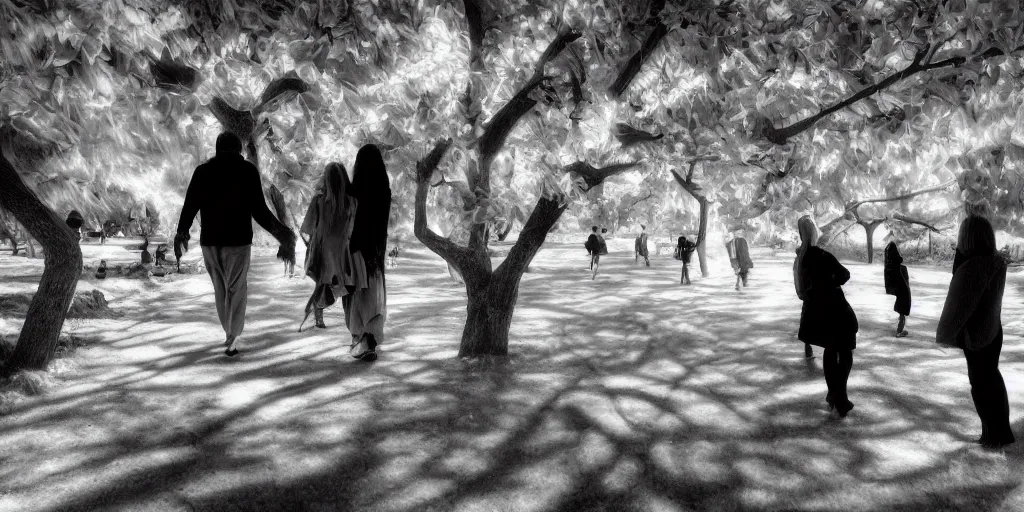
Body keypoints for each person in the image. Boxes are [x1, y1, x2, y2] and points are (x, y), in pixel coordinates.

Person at [175, 132, 297, 357]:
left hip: (210, 242)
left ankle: (229, 332)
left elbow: (190, 206)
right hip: (238, 242)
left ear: (217, 148)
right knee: (237, 289)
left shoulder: (203, 172)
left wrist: (181, 233)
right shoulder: (247, 171)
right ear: (239, 149)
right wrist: (282, 234)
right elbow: (260, 211)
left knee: (221, 290)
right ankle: (233, 335)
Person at [937, 215, 1013, 449]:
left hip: (978, 335)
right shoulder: (995, 261)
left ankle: (992, 435)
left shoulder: (973, 267)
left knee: (981, 385)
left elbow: (959, 300)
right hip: (993, 331)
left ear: (967, 238)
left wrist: (947, 333)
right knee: (992, 379)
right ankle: (1001, 431)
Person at [794, 216, 858, 417]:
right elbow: (844, 274)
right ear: (814, 233)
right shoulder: (820, 255)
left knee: (830, 352)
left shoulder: (800, 257)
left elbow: (802, 288)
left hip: (816, 312)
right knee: (845, 352)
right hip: (836, 310)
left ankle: (833, 394)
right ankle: (841, 397)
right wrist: (830, 279)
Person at [344, 144, 392, 362]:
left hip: (355, 251)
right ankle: (368, 341)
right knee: (373, 297)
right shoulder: (384, 189)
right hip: (375, 251)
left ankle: (359, 338)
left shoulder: (353, 190)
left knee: (356, 296)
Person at [299, 163, 358, 330]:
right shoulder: (352, 202)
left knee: (326, 283)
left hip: (323, 249)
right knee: (337, 284)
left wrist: (311, 245)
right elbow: (353, 228)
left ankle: (317, 310)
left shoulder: (319, 201)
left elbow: (307, 228)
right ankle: (318, 310)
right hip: (342, 250)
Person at [884, 241, 911, 337]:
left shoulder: (889, 250)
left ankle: (900, 330)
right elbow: (898, 259)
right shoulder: (892, 248)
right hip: (901, 285)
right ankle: (899, 331)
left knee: (902, 309)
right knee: (903, 308)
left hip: (897, 285)